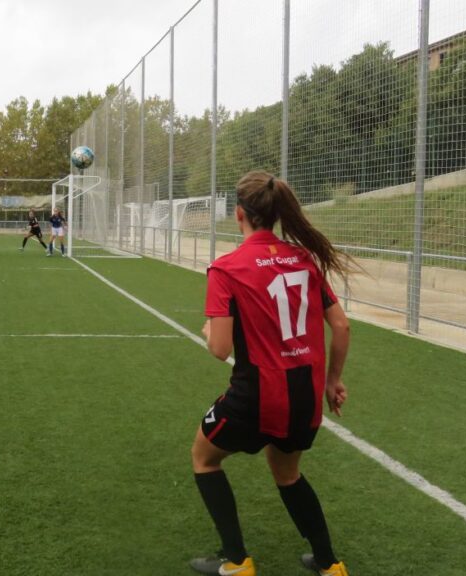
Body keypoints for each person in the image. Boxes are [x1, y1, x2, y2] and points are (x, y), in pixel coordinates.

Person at [189, 172, 352, 576]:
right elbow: (343, 326)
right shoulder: (304, 260)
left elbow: (221, 349)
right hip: (304, 395)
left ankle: (236, 560)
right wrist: (332, 381)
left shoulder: (226, 268)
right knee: (287, 473)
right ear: (278, 214)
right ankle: (330, 565)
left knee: (204, 458)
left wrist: (210, 330)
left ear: (238, 214)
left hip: (258, 395)